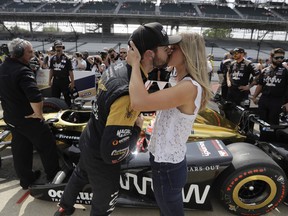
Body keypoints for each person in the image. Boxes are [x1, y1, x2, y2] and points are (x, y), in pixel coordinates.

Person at [54, 22, 181, 216]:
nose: (169, 51)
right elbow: (111, 151)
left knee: (80, 174)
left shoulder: (121, 65)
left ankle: (64, 208)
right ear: (149, 54)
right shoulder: (128, 91)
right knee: (104, 204)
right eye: (165, 48)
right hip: (102, 156)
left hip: (90, 137)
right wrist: (137, 129)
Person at [127, 32, 211, 216]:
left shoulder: (189, 87)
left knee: (170, 211)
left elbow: (139, 103)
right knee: (166, 209)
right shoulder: (176, 78)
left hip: (168, 165)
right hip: (163, 159)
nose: (168, 50)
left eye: (174, 48)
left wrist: (134, 65)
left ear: (187, 52)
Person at [0, 38, 59, 189]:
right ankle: (54, 179)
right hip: (28, 119)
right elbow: (35, 97)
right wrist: (39, 114)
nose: (33, 55)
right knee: (47, 146)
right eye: (30, 52)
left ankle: (26, 181)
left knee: (20, 149)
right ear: (19, 53)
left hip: (11, 118)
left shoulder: (2, 67)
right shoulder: (22, 71)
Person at [252, 48, 288, 141]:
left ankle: (271, 141)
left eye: (282, 57)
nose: (280, 59)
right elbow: (260, 85)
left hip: (277, 101)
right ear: (271, 57)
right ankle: (263, 139)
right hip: (264, 99)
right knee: (262, 121)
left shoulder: (285, 71)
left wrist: (287, 102)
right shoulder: (265, 70)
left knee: (272, 123)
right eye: (277, 57)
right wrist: (254, 96)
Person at [48, 40, 74, 107]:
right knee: (54, 98)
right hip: (55, 81)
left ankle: (68, 111)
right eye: (57, 47)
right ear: (54, 48)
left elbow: (70, 71)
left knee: (67, 98)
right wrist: (49, 80)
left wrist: (72, 82)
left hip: (65, 80)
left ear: (62, 48)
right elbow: (51, 70)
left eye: (60, 47)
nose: (58, 48)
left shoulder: (67, 58)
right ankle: (55, 111)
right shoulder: (52, 58)